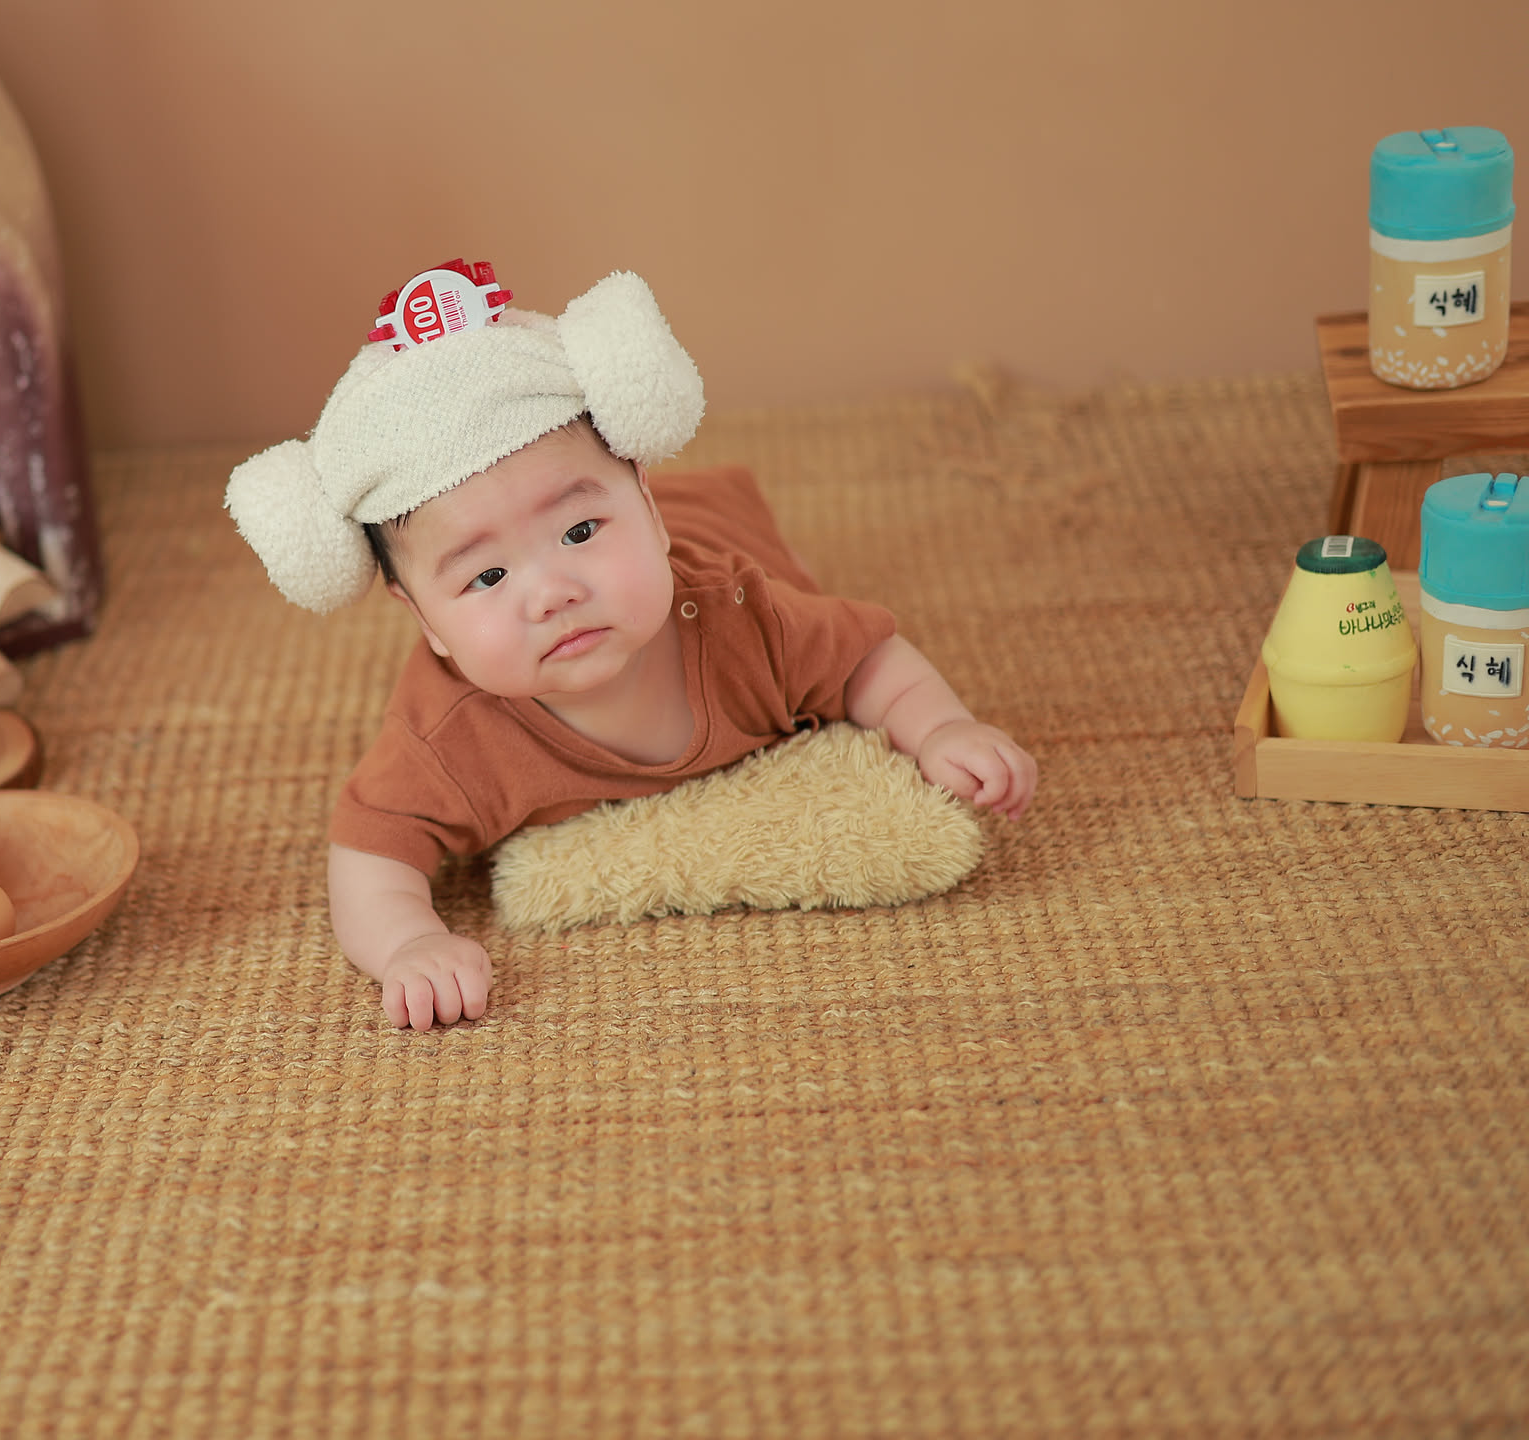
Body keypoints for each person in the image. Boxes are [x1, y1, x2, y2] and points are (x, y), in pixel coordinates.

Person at [227, 262, 1037, 1031]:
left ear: (645, 507)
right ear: (425, 620)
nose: (552, 592)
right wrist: (409, 943)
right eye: (487, 577)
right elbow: (369, 853)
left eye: (581, 531)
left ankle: (675, 515)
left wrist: (940, 727)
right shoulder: (448, 738)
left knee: (764, 553)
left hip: (713, 530)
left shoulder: (743, 615)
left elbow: (868, 662)